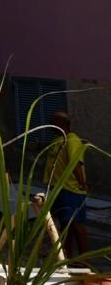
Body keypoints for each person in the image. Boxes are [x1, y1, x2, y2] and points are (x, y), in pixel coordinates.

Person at [44, 110, 90, 260]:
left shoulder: (72, 140)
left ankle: (84, 259)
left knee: (76, 224)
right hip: (59, 189)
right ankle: (67, 258)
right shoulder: (58, 140)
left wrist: (82, 183)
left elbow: (75, 162)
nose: (50, 124)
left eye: (52, 121)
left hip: (71, 190)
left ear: (60, 123)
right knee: (65, 225)